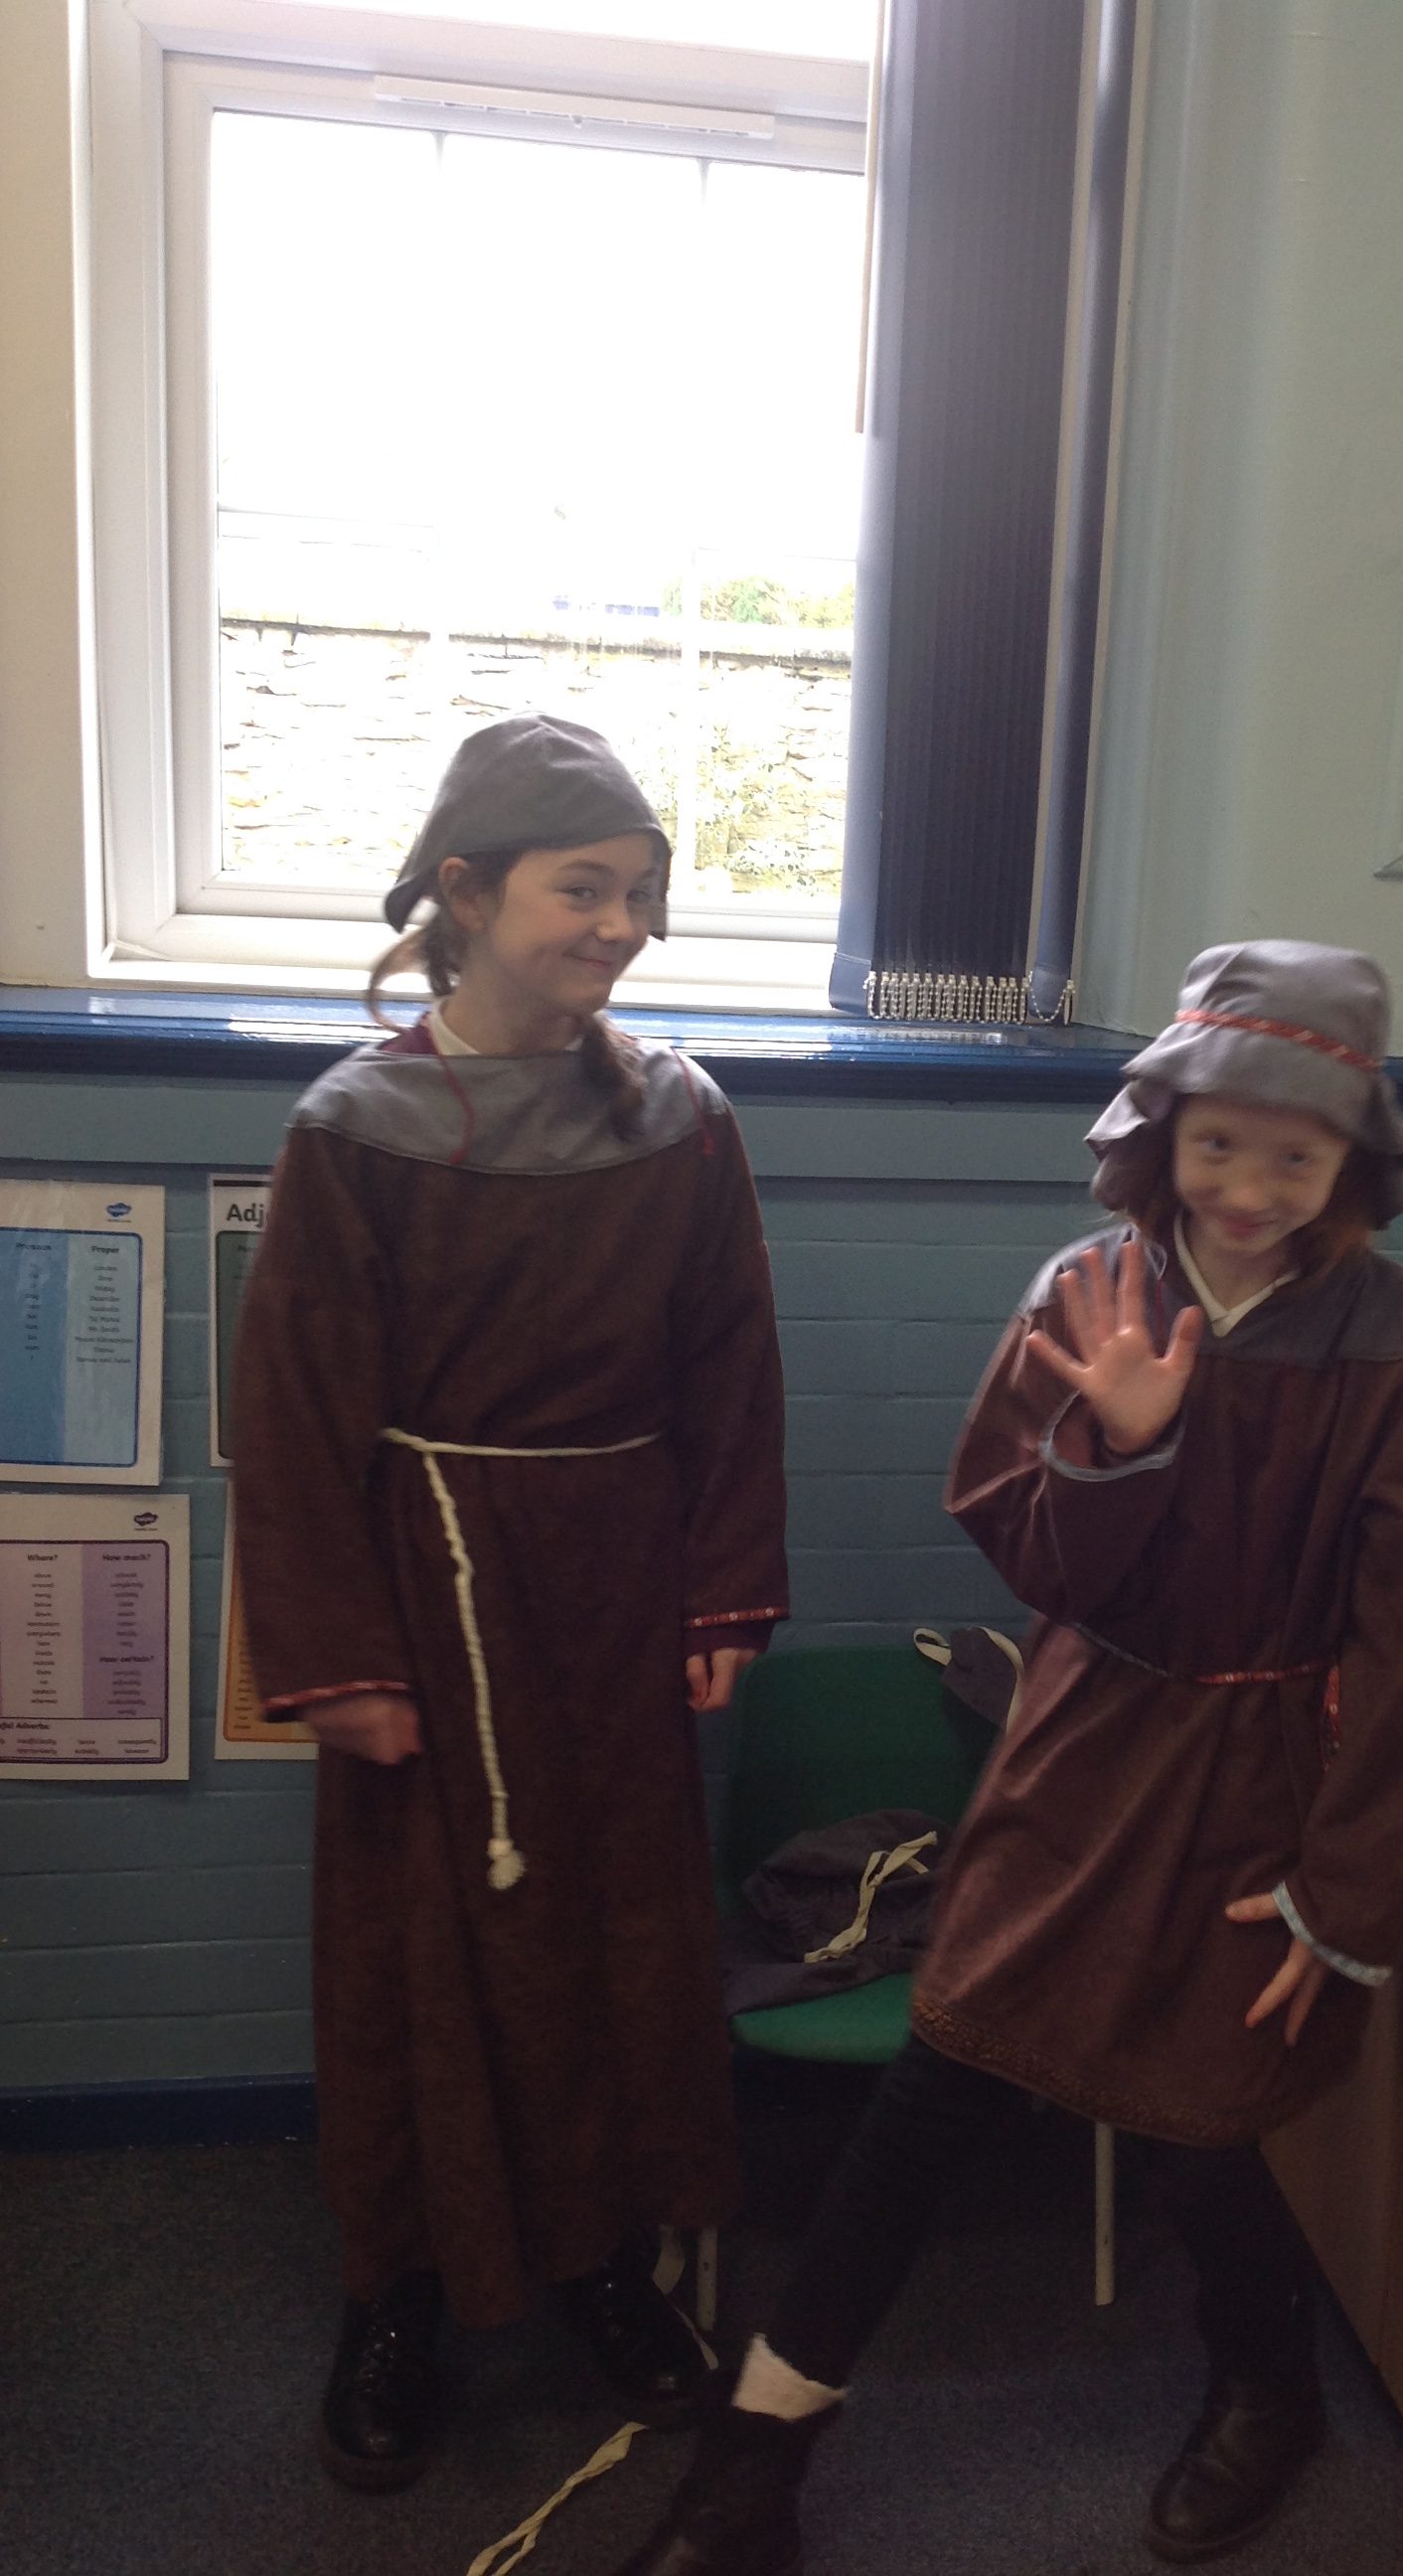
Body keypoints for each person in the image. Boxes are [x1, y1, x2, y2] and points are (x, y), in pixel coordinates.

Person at [611, 939, 1403, 2575]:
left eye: (1294, 1156)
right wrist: (1118, 1444)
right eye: (1218, 1144)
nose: (1249, 1190)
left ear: (1352, 1163)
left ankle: (1270, 2390)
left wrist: (1346, 1889)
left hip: (1264, 1785)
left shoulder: (1400, 1340)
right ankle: (756, 2452)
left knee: (1198, 2120)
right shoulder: (1087, 1293)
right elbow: (1026, 1548)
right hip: (1085, 1752)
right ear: (1162, 1129)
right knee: (940, 2074)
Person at [230, 714, 787, 2492]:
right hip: (428, 1589)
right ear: (466, 894)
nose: (622, 927)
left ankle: (607, 2260)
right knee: (416, 1947)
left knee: (622, 1931)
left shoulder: (681, 1120)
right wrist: (336, 1658)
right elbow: (293, 1421)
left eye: (642, 895)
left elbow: (731, 1371)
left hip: (618, 1585)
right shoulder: (356, 1130)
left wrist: (721, 1594)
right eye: (583, 890)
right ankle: (396, 2292)